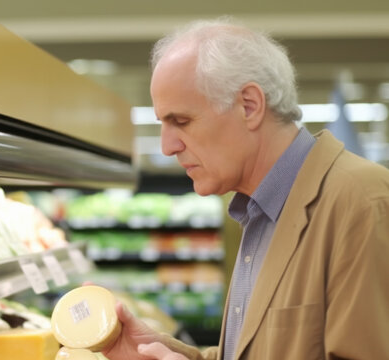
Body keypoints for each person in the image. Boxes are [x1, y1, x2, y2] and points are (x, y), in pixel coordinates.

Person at [101, 18, 389, 360]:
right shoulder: (257, 211)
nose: (167, 146)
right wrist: (158, 351)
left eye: (181, 121)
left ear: (249, 105)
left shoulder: (363, 202)